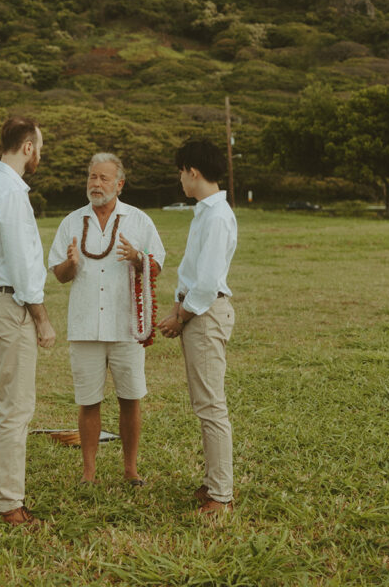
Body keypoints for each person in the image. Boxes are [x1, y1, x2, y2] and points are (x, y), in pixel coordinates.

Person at [48, 152, 165, 485]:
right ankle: (89, 472)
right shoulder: (71, 221)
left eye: (103, 178)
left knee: (130, 397)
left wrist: (137, 257)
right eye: (91, 177)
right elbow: (59, 274)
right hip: (85, 325)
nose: (95, 184)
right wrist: (71, 263)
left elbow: (156, 266)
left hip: (126, 325)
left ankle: (130, 469)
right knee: (88, 400)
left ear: (119, 184)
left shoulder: (139, 220)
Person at [0, 116, 56, 527]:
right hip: (8, 305)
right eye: (40, 146)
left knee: (2, 403)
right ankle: (9, 503)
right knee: (17, 406)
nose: (41, 154)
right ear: (27, 148)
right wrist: (41, 318)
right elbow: (22, 264)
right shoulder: (12, 192)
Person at [158, 138, 237, 516]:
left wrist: (181, 316)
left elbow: (206, 283)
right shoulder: (205, 213)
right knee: (204, 403)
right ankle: (212, 483)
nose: (180, 180)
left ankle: (221, 495)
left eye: (181, 172)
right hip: (196, 313)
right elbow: (190, 274)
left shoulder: (218, 215)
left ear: (193, 171)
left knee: (210, 406)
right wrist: (177, 308)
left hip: (205, 315)